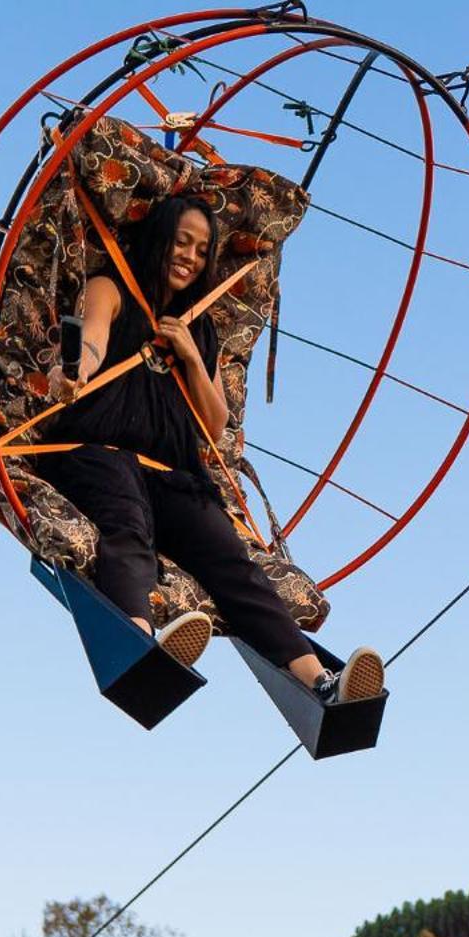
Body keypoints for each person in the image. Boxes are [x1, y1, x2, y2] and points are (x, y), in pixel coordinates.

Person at [40, 193, 382, 704]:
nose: (190, 257)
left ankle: (323, 684)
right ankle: (138, 644)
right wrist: (75, 370)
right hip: (99, 450)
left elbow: (215, 421)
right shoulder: (111, 288)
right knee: (126, 526)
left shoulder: (199, 326)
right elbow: (91, 340)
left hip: (172, 472)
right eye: (181, 242)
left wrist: (190, 357)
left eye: (201, 250)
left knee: (232, 561)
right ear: (158, 241)